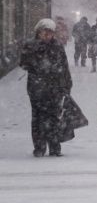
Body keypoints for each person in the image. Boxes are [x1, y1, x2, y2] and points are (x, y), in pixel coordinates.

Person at [20, 18, 73, 157]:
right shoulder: (30, 45)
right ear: (39, 32)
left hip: (54, 88)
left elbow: (64, 66)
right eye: (45, 32)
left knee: (54, 117)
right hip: (37, 88)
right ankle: (39, 147)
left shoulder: (57, 46)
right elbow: (23, 64)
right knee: (38, 118)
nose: (47, 35)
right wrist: (38, 64)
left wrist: (67, 84)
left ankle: (55, 147)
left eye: (50, 32)